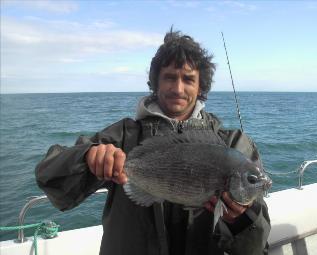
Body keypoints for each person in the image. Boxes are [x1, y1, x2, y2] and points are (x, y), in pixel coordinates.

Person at [35, 29, 270, 255]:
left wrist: (241, 219)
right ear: (156, 82)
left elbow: (257, 247)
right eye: (169, 77)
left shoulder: (233, 145)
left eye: (188, 79)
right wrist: (86, 156)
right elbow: (50, 178)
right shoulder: (123, 137)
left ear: (200, 87)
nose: (178, 88)